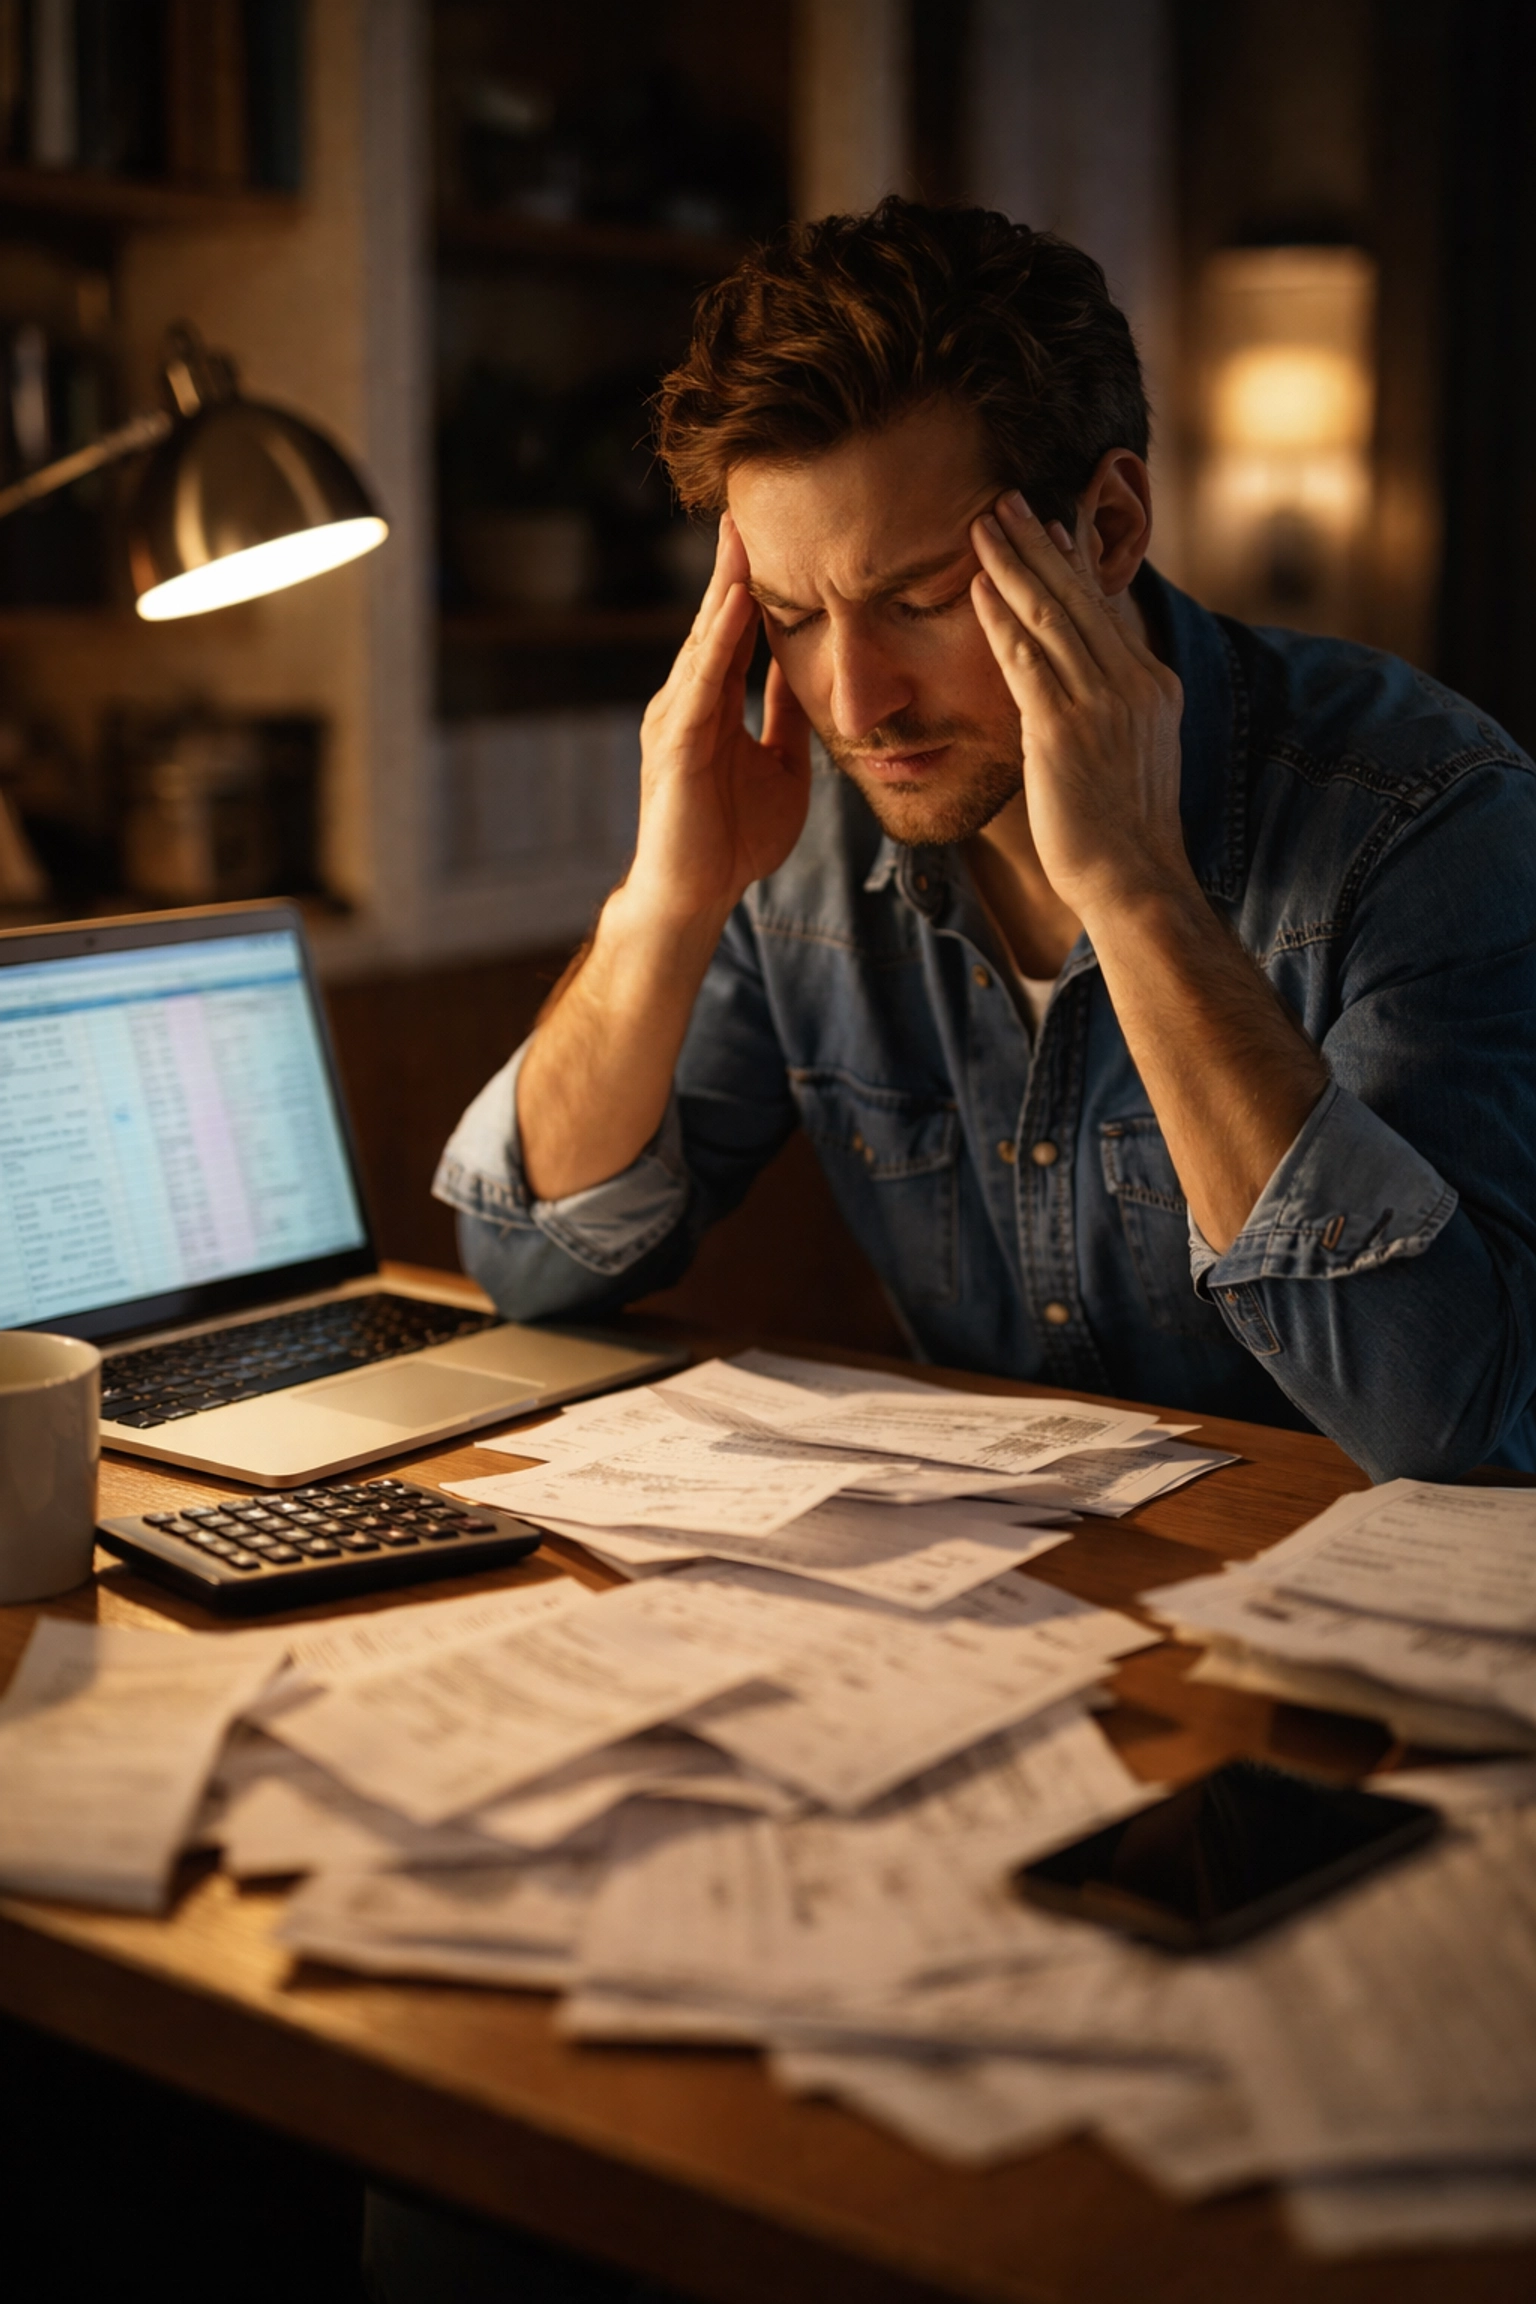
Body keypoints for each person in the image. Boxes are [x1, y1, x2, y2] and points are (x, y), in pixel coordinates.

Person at [435, 198, 1536, 1481]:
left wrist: (1136, 892)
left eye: (919, 602)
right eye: (790, 615)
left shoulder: (1427, 817)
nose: (856, 705)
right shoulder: (800, 840)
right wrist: (664, 908)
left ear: (1109, 529)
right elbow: (525, 1266)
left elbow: (1451, 1420)